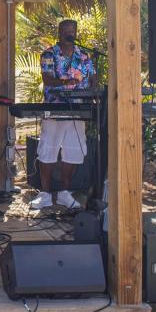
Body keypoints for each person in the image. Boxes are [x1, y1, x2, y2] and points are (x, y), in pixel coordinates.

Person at [30, 19, 96, 211]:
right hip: (55, 107)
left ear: (76, 33)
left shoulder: (84, 56)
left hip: (78, 110)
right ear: (59, 32)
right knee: (48, 149)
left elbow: (92, 77)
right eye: (65, 30)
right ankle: (45, 194)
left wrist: (92, 91)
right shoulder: (49, 54)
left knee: (73, 151)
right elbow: (47, 78)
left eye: (72, 31)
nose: (69, 34)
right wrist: (66, 83)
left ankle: (65, 193)